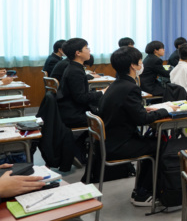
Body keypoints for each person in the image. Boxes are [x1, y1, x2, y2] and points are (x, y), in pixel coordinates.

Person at [97, 46, 174, 206]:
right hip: (120, 145)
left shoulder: (116, 84)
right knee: (161, 144)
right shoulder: (130, 87)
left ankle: (142, 188)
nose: (142, 64)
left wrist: (146, 110)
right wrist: (164, 110)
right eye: (140, 61)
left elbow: (132, 112)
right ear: (133, 65)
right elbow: (142, 119)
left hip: (109, 141)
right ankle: (143, 193)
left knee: (154, 139)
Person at [57, 38, 106, 128]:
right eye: (86, 48)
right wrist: (102, 92)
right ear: (78, 53)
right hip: (74, 114)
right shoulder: (75, 71)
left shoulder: (74, 67)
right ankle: (94, 141)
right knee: (110, 117)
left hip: (72, 109)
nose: (89, 50)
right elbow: (81, 98)